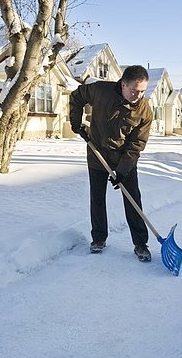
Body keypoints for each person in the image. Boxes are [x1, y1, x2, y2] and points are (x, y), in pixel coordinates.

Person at [69, 65, 154, 262]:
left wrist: (123, 170)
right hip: (97, 152)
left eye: (142, 91)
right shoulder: (100, 90)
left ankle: (140, 243)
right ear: (123, 84)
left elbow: (137, 143)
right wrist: (76, 123)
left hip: (124, 157)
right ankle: (98, 238)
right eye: (134, 90)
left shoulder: (144, 110)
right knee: (97, 198)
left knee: (133, 199)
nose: (138, 95)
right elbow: (76, 97)